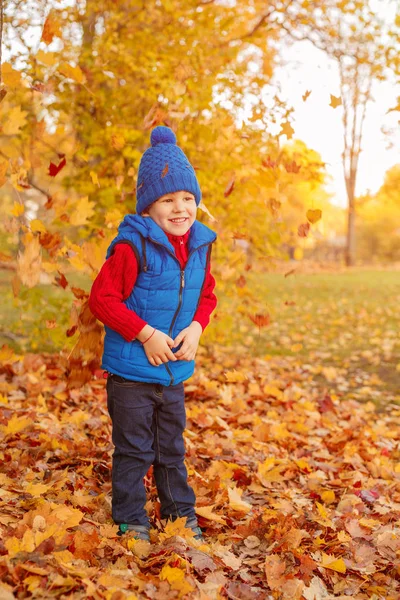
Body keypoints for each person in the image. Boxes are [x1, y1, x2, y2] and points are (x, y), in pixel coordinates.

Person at [89, 126, 217, 543]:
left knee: (171, 450)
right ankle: (131, 519)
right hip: (130, 376)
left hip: (173, 373)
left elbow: (207, 295)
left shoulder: (199, 245)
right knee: (134, 450)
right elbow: (102, 300)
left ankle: (179, 513)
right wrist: (145, 333)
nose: (180, 208)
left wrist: (197, 327)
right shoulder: (132, 248)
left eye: (187, 198)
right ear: (148, 207)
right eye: (167, 200)